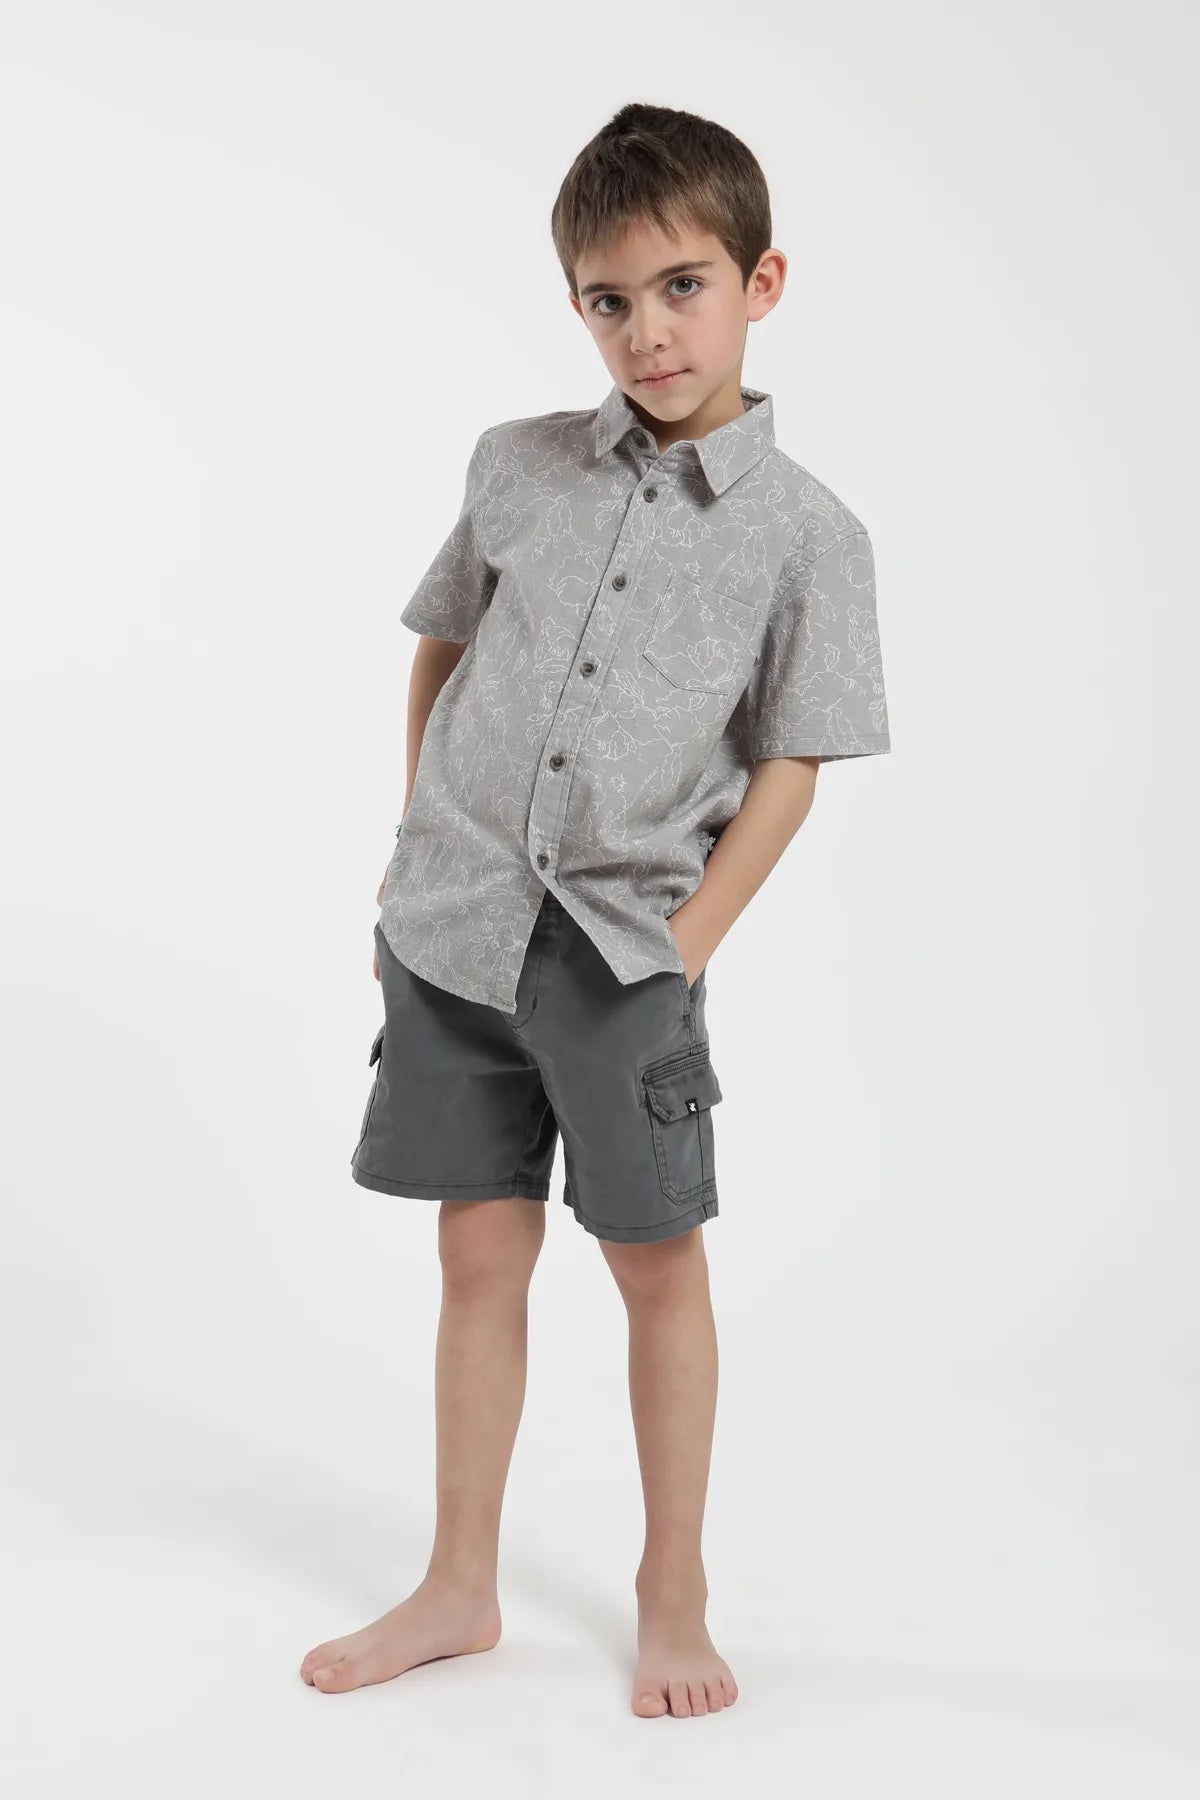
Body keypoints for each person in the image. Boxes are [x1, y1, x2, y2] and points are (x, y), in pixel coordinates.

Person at [300, 100, 890, 1718]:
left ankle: (671, 1586)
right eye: (608, 300)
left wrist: (686, 950)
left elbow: (791, 766)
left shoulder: (811, 537)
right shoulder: (517, 465)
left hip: (629, 956)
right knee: (475, 1253)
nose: (647, 333)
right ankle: (459, 1583)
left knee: (655, 1265)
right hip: (453, 933)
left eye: (681, 288)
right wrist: (417, 836)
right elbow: (444, 645)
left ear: (761, 282)